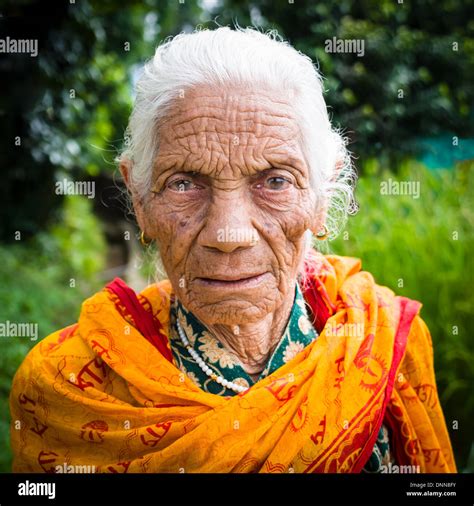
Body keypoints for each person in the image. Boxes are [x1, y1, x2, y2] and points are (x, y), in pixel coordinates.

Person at [10, 27, 456, 473]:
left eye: (275, 181)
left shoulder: (387, 342)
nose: (228, 233)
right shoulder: (67, 384)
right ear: (140, 200)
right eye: (184, 183)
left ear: (321, 199)